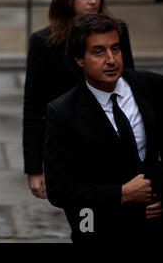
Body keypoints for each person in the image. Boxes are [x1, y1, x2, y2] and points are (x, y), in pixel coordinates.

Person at [44, 13, 163, 242]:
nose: (111, 59)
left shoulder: (151, 87)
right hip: (101, 229)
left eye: (115, 49)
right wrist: (121, 194)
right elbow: (60, 189)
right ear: (79, 59)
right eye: (99, 52)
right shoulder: (63, 112)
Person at [23, 0, 135, 199]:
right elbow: (34, 107)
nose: (93, 1)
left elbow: (132, 89)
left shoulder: (118, 32)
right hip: (72, 152)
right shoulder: (44, 43)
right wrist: (34, 168)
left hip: (115, 146)